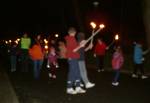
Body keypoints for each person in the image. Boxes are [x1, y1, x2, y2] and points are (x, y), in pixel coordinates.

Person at [65, 27, 86, 95]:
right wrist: (81, 46)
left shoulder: (71, 39)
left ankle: (78, 87)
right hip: (72, 58)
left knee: (77, 73)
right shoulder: (71, 39)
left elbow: (76, 47)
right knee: (72, 73)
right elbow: (74, 50)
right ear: (74, 33)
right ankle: (69, 88)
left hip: (74, 58)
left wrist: (81, 44)